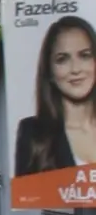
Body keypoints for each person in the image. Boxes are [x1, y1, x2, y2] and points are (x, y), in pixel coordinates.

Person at [14, 15, 96, 180]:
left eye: (85, 55)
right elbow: (28, 195)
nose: (75, 69)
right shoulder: (34, 134)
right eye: (62, 59)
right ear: (50, 72)